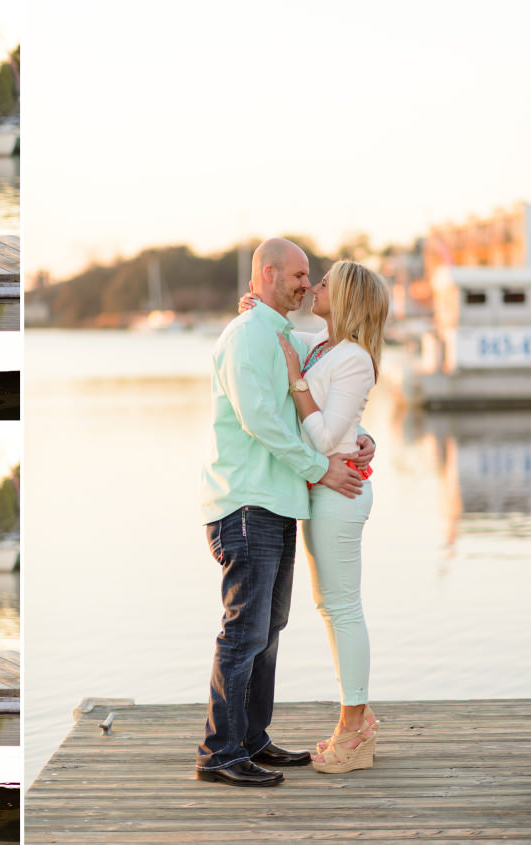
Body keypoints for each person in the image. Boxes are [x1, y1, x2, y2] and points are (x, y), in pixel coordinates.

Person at [196, 237, 373, 788]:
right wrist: (320, 470)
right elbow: (263, 421)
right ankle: (219, 753)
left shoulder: (277, 333)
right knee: (244, 632)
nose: (306, 284)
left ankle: (252, 739)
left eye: (311, 277)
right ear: (267, 274)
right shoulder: (248, 335)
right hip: (246, 503)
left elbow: (318, 407)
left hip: (275, 503)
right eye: (299, 275)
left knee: (268, 629)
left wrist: (360, 439)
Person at [275, 259, 388, 774]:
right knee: (330, 607)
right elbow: (347, 427)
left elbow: (323, 437)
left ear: (344, 297)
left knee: (342, 609)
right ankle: (355, 720)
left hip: (339, 492)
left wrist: (297, 381)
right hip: (325, 487)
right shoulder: (325, 346)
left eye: (324, 283)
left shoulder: (353, 358)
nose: (314, 287)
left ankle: (355, 728)